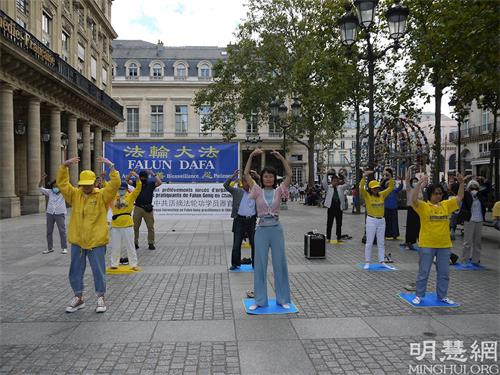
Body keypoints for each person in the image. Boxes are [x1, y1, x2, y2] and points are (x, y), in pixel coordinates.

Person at [57, 156, 120, 313]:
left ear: (94, 183)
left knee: (98, 271)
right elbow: (63, 184)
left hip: (96, 242)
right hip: (78, 241)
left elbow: (115, 185)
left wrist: (111, 167)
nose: (86, 187)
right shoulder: (74, 195)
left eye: (89, 184)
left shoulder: (102, 196)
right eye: (83, 185)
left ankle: (101, 297)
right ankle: (78, 297)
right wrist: (63, 167)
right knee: (75, 271)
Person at [244, 148, 292, 310]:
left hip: (276, 230)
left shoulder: (279, 191)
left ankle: (283, 299)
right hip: (262, 230)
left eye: (271, 176)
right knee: (260, 264)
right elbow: (246, 175)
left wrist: (281, 158)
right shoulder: (257, 190)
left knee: (280, 264)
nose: (268, 179)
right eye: (266, 176)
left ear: (274, 178)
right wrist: (251, 156)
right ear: (262, 178)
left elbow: (290, 175)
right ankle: (260, 300)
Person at [409, 174, 465, 305]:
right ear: (430, 195)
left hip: (444, 245)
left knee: (444, 273)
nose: (439, 195)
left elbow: (459, 197)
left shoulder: (446, 205)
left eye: (440, 193)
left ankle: (442, 295)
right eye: (436, 193)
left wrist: (462, 184)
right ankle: (419, 295)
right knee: (424, 272)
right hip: (427, 245)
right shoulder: (423, 206)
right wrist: (419, 184)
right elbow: (413, 200)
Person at [359, 170, 395, 269]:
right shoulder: (367, 196)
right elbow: (361, 188)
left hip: (381, 220)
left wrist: (390, 177)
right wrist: (364, 177)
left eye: (377, 188)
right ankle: (367, 261)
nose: (376, 190)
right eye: (374, 188)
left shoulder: (382, 195)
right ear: (370, 189)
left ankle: (382, 261)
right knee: (369, 242)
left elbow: (391, 187)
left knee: (381, 242)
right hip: (371, 220)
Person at [224, 169, 257, 270]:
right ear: (242, 183)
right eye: (245, 181)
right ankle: (235, 263)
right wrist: (232, 176)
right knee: (236, 243)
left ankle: (255, 263)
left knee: (254, 243)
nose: (247, 183)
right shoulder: (237, 191)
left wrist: (257, 176)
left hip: (252, 221)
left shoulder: (256, 192)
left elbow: (264, 187)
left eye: (249, 181)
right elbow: (226, 186)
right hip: (239, 220)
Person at [110, 171, 142, 270]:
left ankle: (133, 264)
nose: (121, 191)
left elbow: (138, 189)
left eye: (123, 189)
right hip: (115, 225)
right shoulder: (113, 197)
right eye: (120, 189)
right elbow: (106, 187)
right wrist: (103, 179)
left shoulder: (130, 197)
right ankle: (114, 264)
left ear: (127, 189)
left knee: (130, 245)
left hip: (127, 224)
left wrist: (137, 178)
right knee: (115, 246)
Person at [459, 178, 489, 265]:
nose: (474, 190)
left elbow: (488, 189)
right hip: (470, 220)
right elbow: (460, 194)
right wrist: (462, 182)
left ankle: (476, 260)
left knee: (478, 242)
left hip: (479, 220)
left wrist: (485, 181)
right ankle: (465, 259)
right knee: (467, 241)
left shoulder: (480, 195)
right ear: (468, 188)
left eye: (476, 188)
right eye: (472, 188)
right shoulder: (466, 195)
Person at [39, 173, 68, 254]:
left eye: (57, 186)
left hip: (60, 213)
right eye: (54, 186)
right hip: (50, 213)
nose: (55, 188)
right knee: (49, 231)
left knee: (62, 231)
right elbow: (40, 188)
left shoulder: (63, 193)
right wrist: (41, 180)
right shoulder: (50, 192)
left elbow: (67, 187)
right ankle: (50, 248)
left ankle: (64, 247)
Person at [133, 169, 162, 250]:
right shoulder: (137, 183)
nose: (143, 179)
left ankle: (151, 243)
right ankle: (135, 243)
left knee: (150, 227)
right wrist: (132, 174)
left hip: (148, 208)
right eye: (141, 177)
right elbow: (127, 181)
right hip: (138, 207)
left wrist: (153, 174)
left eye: (144, 177)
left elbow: (159, 182)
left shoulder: (150, 184)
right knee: (135, 227)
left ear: (146, 177)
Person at [322, 172, 349, 243]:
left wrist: (343, 176)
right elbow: (323, 182)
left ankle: (339, 237)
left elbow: (348, 184)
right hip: (331, 207)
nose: (335, 182)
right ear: (331, 181)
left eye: (337, 181)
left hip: (339, 208)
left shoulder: (341, 188)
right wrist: (326, 174)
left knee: (339, 223)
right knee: (329, 223)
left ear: (338, 181)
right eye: (334, 181)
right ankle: (328, 237)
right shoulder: (328, 187)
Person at [382, 168, 403, 239]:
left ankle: (394, 235)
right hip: (386, 208)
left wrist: (401, 180)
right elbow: (380, 186)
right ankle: (386, 234)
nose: (389, 185)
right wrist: (385, 179)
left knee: (394, 222)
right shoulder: (384, 191)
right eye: (387, 184)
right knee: (387, 222)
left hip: (394, 207)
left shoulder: (394, 190)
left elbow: (400, 187)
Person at [402, 172, 420, 251]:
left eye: (417, 181)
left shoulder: (420, 190)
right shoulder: (409, 189)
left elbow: (425, 183)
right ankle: (409, 242)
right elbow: (407, 180)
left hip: (419, 209)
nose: (415, 183)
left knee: (419, 226)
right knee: (410, 226)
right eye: (414, 181)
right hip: (411, 209)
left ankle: (419, 241)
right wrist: (409, 170)